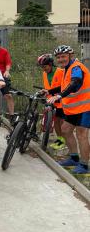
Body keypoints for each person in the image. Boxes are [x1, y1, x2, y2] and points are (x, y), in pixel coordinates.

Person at [46, 45, 90, 175]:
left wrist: (59, 96)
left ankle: (84, 164)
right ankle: (74, 158)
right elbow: (64, 86)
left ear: (70, 56)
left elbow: (75, 82)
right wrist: (49, 91)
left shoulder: (76, 67)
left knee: (82, 135)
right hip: (75, 108)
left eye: (63, 56)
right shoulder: (67, 68)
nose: (61, 59)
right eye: (58, 57)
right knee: (65, 130)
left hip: (85, 107)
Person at [37, 54, 66, 150]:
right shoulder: (44, 73)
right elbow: (48, 86)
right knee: (56, 121)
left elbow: (64, 87)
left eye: (45, 66)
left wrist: (51, 92)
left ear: (50, 64)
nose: (43, 69)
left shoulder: (61, 72)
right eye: (42, 67)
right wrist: (44, 91)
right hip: (51, 100)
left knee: (61, 121)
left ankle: (63, 141)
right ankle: (60, 139)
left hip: (62, 100)